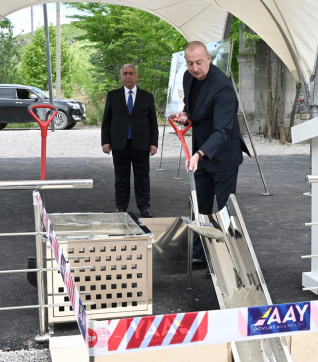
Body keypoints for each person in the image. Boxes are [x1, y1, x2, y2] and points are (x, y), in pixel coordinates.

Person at [172, 41, 249, 268]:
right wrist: (186, 115)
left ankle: (228, 258)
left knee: (224, 208)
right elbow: (194, 108)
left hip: (223, 153)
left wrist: (199, 154)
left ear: (208, 58)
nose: (195, 68)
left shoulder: (223, 86)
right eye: (190, 63)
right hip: (200, 150)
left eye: (199, 62)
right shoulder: (188, 78)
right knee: (201, 204)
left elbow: (223, 129)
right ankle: (201, 254)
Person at [101, 64, 159, 218]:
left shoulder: (147, 97)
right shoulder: (113, 96)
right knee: (121, 178)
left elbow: (153, 122)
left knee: (143, 178)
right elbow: (106, 120)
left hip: (141, 143)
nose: (128, 77)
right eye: (125, 74)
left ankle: (144, 206)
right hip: (119, 143)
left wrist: (154, 143)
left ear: (136, 76)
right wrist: (105, 141)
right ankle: (121, 206)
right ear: (121, 76)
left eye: (131, 74)